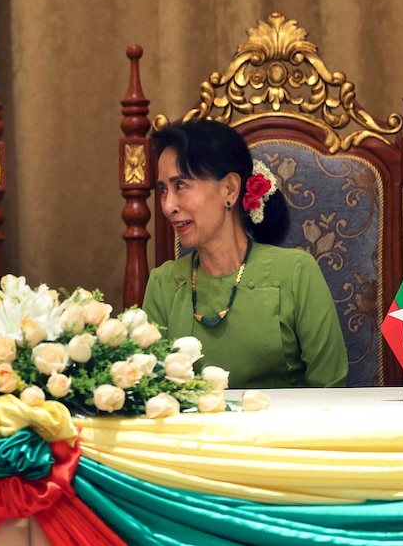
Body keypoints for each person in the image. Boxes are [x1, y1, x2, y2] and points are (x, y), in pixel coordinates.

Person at [142, 119, 348, 388]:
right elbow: (148, 394)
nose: (168, 206)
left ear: (229, 189)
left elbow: (330, 390)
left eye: (180, 185)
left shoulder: (296, 273)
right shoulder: (163, 283)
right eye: (163, 191)